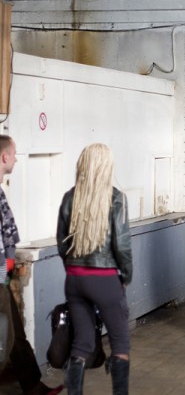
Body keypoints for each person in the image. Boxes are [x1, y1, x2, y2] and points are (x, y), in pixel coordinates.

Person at [56, 143, 133, 395]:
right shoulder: (116, 198)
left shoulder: (70, 197)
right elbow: (122, 245)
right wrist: (126, 275)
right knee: (120, 342)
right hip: (105, 279)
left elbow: (62, 242)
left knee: (82, 342)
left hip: (75, 279)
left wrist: (72, 268)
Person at [0, 135, 64, 395]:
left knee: (16, 336)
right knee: (6, 340)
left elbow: (8, 233)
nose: (16, 159)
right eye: (14, 154)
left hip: (2, 277)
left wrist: (7, 266)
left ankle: (34, 387)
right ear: (4, 157)